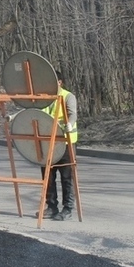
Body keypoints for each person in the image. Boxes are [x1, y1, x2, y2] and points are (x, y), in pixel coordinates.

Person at [39, 71, 78, 221]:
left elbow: (72, 113)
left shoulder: (68, 96)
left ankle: (67, 209)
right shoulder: (45, 98)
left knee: (67, 177)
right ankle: (51, 207)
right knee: (48, 176)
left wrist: (69, 124)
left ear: (60, 82)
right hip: (48, 142)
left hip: (66, 142)